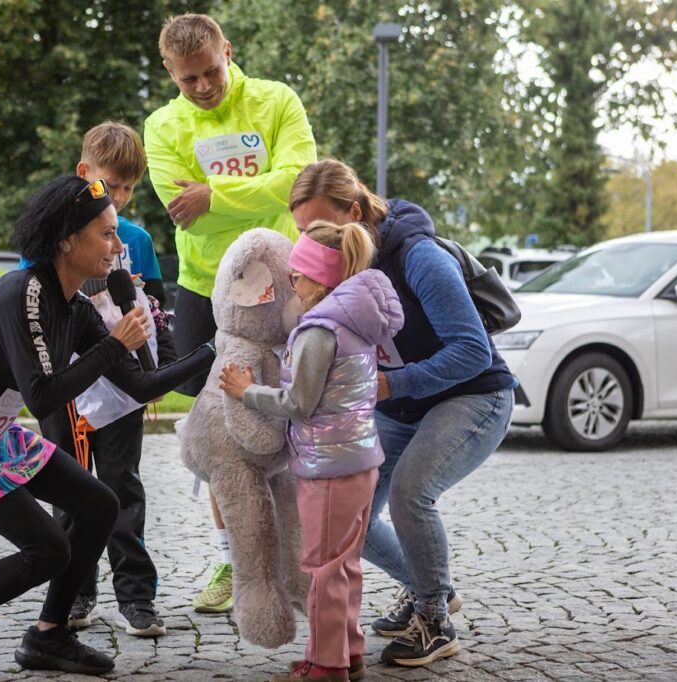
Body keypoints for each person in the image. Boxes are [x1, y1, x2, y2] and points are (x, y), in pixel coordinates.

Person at [0, 175, 214, 682]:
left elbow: (138, 386)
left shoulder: (75, 307)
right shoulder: (24, 293)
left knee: (100, 504)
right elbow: (43, 395)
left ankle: (48, 636)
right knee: (48, 549)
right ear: (68, 240)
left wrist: (213, 352)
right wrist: (115, 344)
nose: (118, 246)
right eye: (106, 234)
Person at [287, 160, 516, 668]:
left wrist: (393, 383)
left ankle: (434, 620)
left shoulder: (418, 256)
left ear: (354, 212)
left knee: (411, 493)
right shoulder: (336, 261)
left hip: (474, 396)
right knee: (351, 509)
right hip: (401, 402)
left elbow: (473, 351)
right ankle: (430, 588)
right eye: (301, 230)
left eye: (319, 224)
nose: (309, 239)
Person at [144, 11, 317, 613]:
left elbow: (296, 182)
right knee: (223, 435)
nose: (202, 87)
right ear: (170, 72)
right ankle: (231, 557)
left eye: (210, 72)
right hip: (203, 290)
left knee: (298, 412)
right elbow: (184, 213)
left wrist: (213, 194)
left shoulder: (276, 100)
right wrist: (254, 191)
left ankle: (305, 555)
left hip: (285, 288)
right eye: (187, 78)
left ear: (228, 51)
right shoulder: (162, 125)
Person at [219, 220, 403, 682]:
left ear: (319, 279)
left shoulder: (320, 331)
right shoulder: (355, 321)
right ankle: (348, 652)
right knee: (345, 566)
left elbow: (299, 402)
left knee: (323, 568)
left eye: (297, 275)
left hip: (328, 465)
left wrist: (246, 392)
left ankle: (326, 665)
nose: (291, 283)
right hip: (359, 458)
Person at [33, 122, 175, 638]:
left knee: (121, 486)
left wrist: (160, 365)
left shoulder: (136, 238)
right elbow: (32, 303)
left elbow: (157, 309)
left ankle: (136, 596)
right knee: (70, 487)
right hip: (65, 382)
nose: (117, 197)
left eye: (127, 189)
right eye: (109, 185)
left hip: (120, 383)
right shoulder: (50, 230)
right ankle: (74, 590)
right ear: (83, 172)